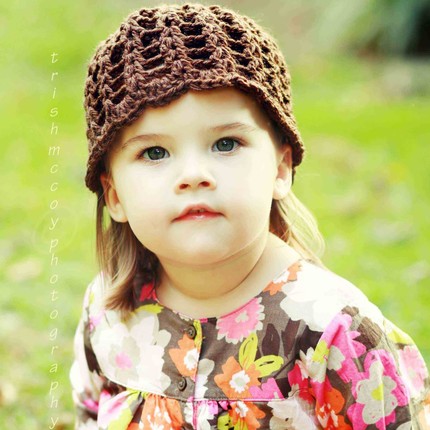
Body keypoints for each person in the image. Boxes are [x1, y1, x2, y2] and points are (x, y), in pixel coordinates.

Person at [70, 3, 430, 429]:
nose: (193, 175)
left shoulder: (336, 331)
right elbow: (91, 411)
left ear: (280, 169)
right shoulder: (109, 309)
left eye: (225, 144)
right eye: (155, 152)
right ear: (114, 195)